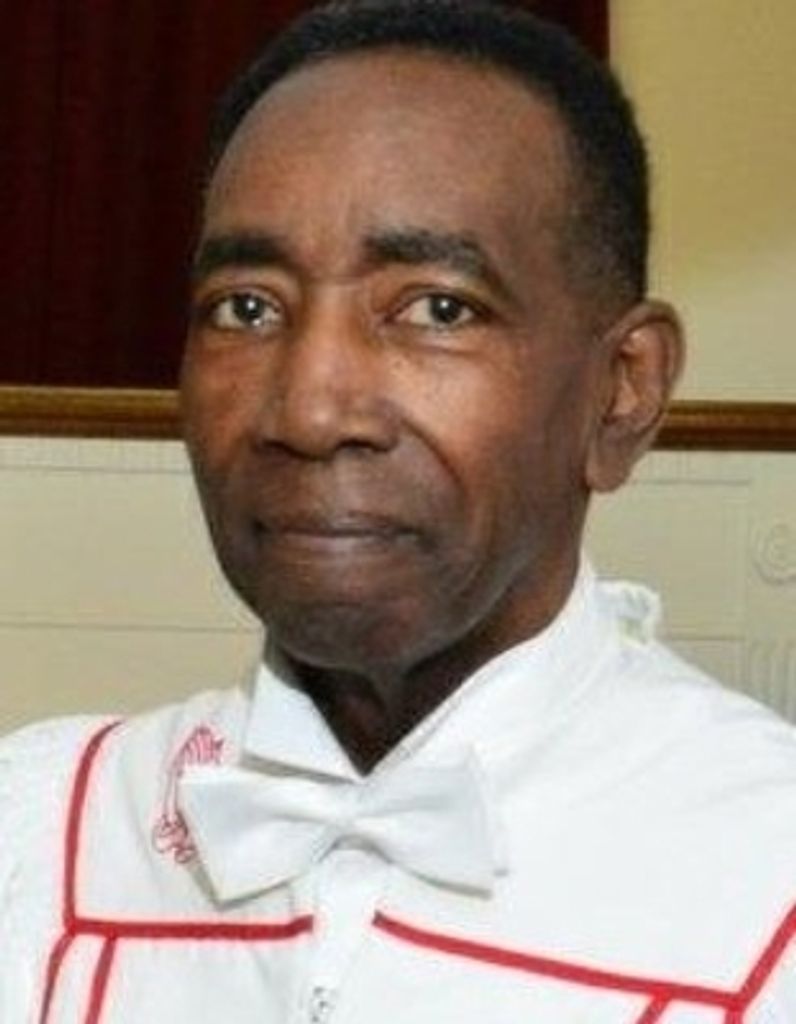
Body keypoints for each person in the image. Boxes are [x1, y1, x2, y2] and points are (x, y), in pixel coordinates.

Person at [2, 1, 795, 1020]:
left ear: (622, 390)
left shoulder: (764, 880)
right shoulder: (43, 835)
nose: (310, 411)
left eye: (437, 308)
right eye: (248, 306)